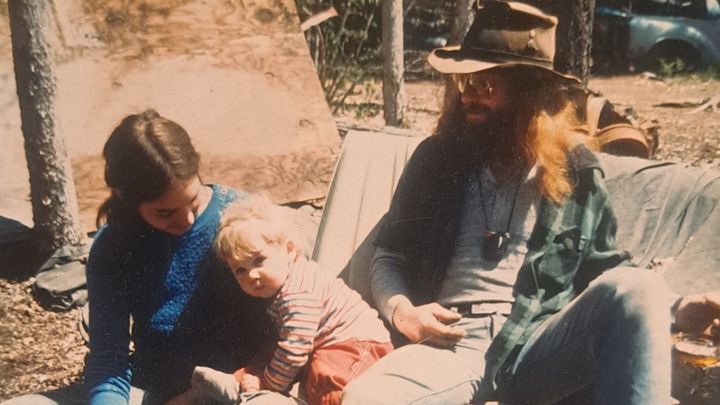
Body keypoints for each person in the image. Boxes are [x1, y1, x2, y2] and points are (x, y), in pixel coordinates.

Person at [342, 2, 719, 404]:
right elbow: (388, 257)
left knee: (640, 285)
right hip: (451, 342)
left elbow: (606, 271)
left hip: (538, 342)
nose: (469, 95)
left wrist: (677, 307)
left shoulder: (576, 171)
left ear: (529, 93)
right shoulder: (436, 159)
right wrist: (404, 313)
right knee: (365, 399)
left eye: (487, 85)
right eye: (466, 82)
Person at [83, 109, 275, 404]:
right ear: (127, 199)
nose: (186, 220)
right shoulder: (114, 247)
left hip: (247, 386)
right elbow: (109, 361)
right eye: (165, 213)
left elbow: (298, 319)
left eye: (193, 201)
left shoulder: (242, 218)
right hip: (155, 391)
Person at [192, 195, 393, 405]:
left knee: (326, 379)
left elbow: (295, 350)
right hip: (326, 344)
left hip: (357, 346)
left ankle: (264, 394)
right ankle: (239, 382)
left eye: (259, 260)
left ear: (289, 250)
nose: (252, 275)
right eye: (240, 270)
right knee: (269, 352)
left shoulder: (297, 294)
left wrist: (268, 383)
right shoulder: (287, 279)